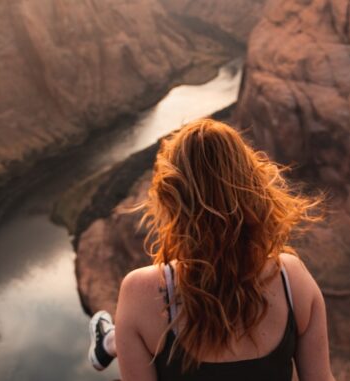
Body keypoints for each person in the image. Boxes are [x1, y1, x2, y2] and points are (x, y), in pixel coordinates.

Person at [87, 118, 335, 380]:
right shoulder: (292, 280)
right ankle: (112, 340)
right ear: (254, 188)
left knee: (132, 326)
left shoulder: (140, 292)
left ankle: (111, 342)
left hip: (145, 320)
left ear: (171, 201)